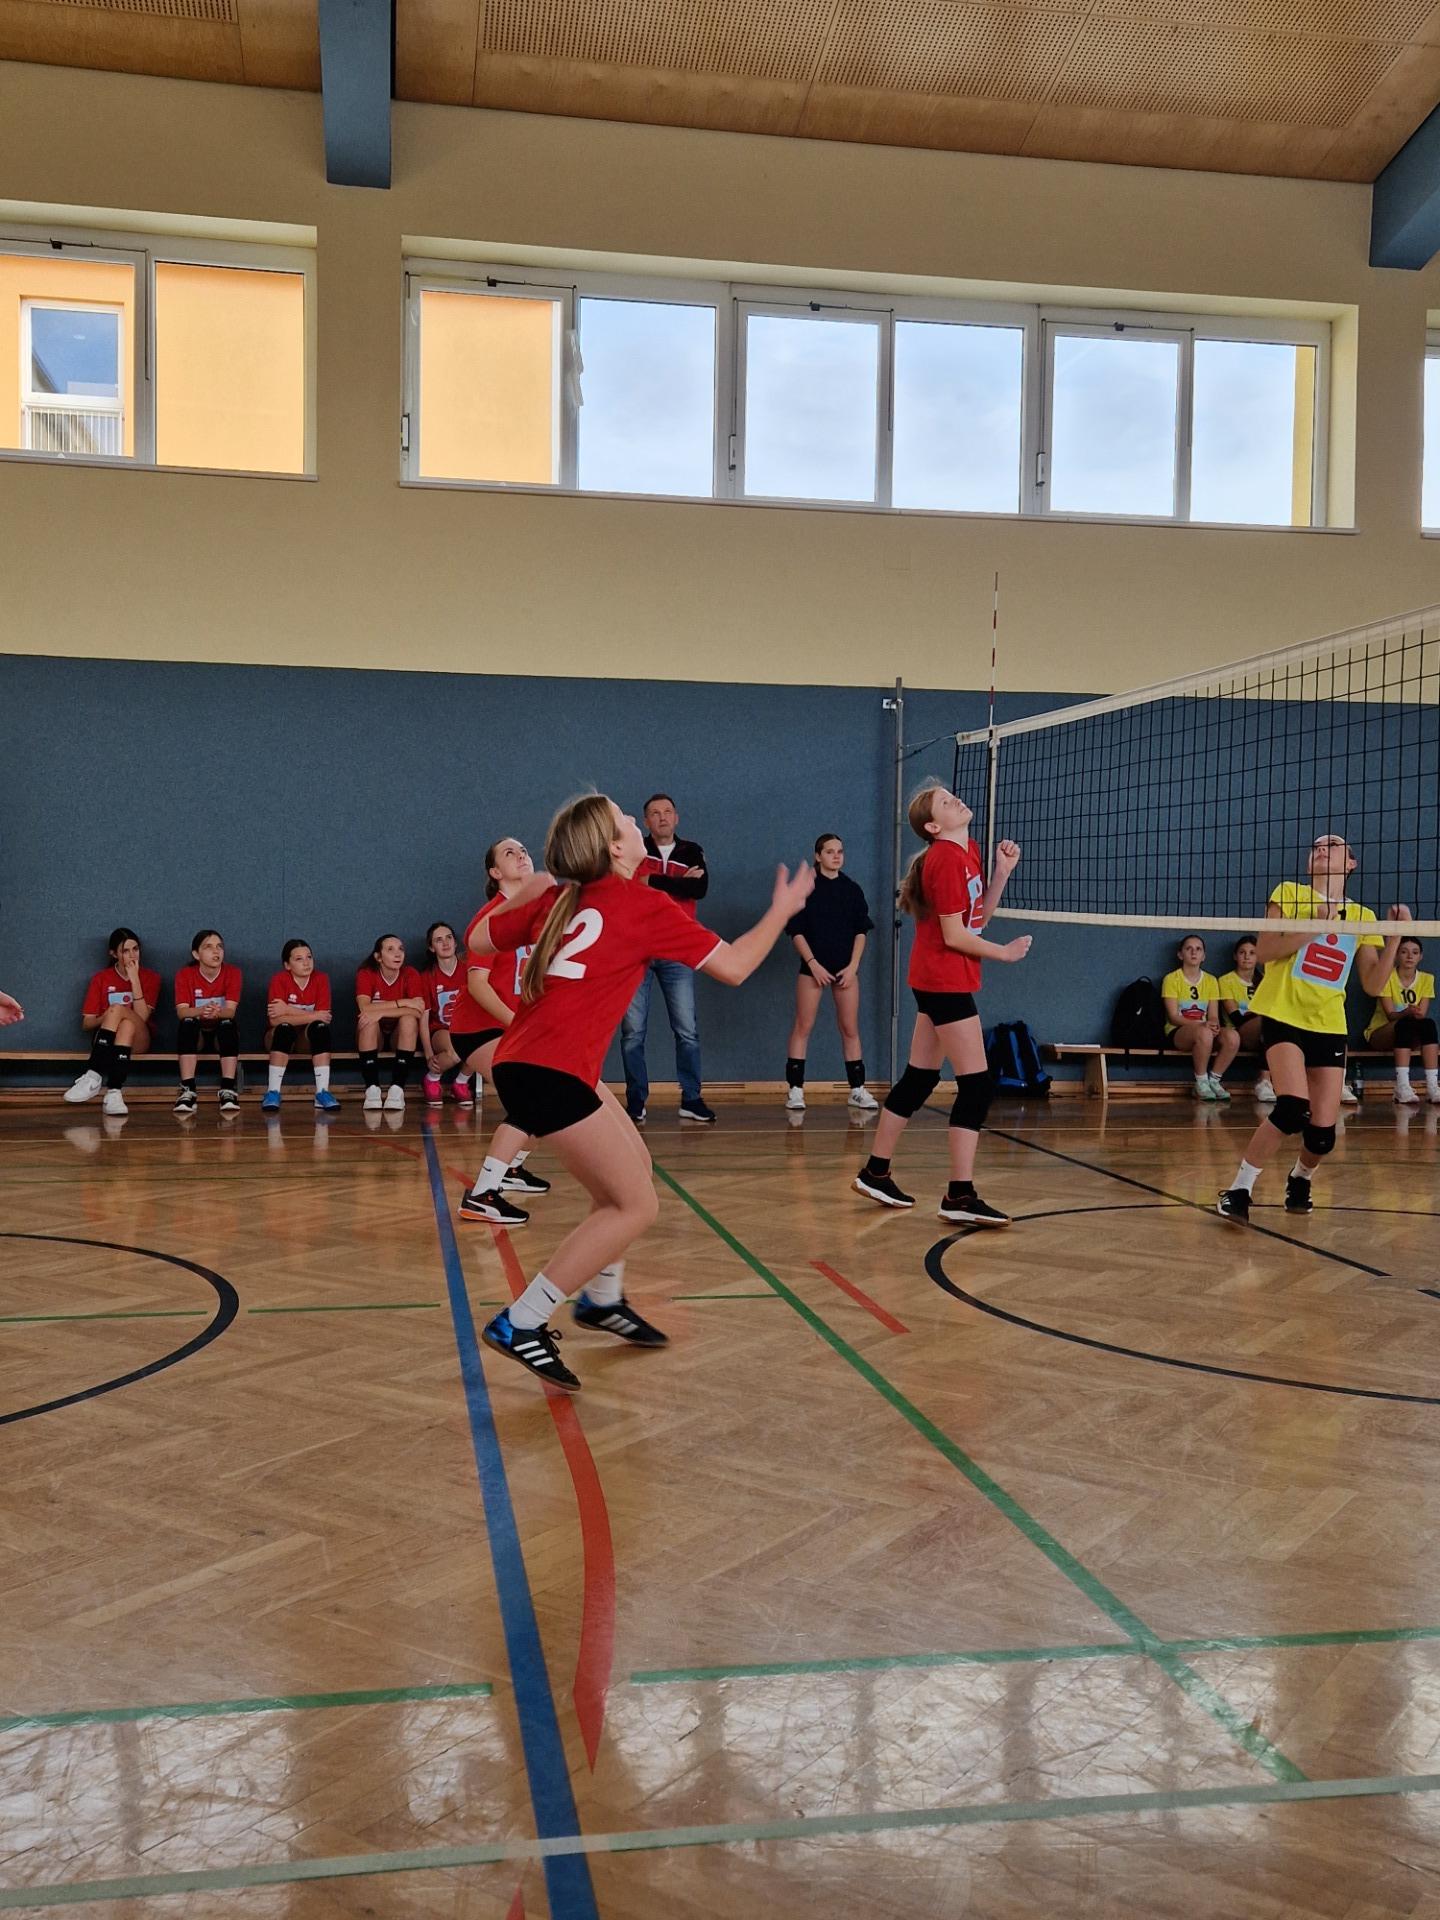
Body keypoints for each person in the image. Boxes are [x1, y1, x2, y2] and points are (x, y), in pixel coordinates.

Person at [469, 791, 813, 1392]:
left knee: (636, 1172)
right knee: (635, 1206)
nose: (634, 819)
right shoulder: (641, 904)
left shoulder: (557, 898)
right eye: (625, 818)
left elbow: (476, 941)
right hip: (550, 1070)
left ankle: (602, 1299)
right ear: (615, 847)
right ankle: (522, 1320)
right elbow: (735, 967)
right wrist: (782, 910)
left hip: (531, 1061)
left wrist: (526, 891)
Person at [854, 785, 1031, 1223]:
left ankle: (875, 1172)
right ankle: (959, 1195)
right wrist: (1003, 953)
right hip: (943, 981)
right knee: (977, 1086)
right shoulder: (945, 859)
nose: (957, 801)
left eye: (952, 796)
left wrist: (1001, 873)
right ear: (933, 826)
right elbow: (954, 937)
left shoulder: (968, 850)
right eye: (946, 802)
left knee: (920, 1078)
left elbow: (975, 920)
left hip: (938, 978)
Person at [1218, 834, 1407, 1222]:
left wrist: (1395, 939)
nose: (1321, 849)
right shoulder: (1289, 894)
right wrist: (1314, 925)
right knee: (1291, 1108)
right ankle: (1239, 1190)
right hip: (1282, 1013)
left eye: (1332, 845)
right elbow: (1264, 952)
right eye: (1316, 846)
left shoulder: (1362, 916)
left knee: (1322, 1134)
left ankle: (1301, 1178)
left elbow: (1373, 984)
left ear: (1351, 863)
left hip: (1328, 1022)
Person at [457, 835, 553, 1227]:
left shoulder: (537, 916)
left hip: (518, 1029)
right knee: (533, 1098)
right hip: (479, 1030)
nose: (521, 856)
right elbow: (477, 985)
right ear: (495, 872)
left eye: (524, 850)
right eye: (509, 853)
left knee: (557, 1098)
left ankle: (512, 1168)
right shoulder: (492, 918)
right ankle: (482, 1194)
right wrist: (517, 1023)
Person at [620, 793, 714, 1125]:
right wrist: (677, 883)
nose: (662, 817)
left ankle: (692, 1099)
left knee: (687, 1030)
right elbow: (630, 889)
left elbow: (699, 890)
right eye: (655, 813)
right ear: (646, 821)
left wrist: (653, 881)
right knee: (632, 1032)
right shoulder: (635, 850)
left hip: (677, 951)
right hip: (637, 953)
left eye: (668, 811)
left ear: (676, 817)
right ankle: (636, 1102)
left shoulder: (692, 851)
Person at [783, 833, 879, 1113]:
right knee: (803, 1025)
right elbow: (796, 931)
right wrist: (813, 963)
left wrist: (853, 966)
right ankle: (796, 1090)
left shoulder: (852, 889)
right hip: (813, 969)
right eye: (829, 851)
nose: (836, 856)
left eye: (840, 851)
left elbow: (861, 931)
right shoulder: (806, 888)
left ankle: (857, 1090)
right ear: (818, 856)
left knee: (850, 1028)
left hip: (845, 969)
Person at [64, 928, 162, 1116]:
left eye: (135, 949)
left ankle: (93, 1075)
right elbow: (87, 1023)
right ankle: (114, 1093)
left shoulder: (151, 978)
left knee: (120, 1012)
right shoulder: (101, 978)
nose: (132, 955)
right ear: (114, 954)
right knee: (125, 1024)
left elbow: (142, 1017)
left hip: (139, 1040)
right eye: (125, 951)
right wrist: (110, 1015)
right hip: (108, 1042)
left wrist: (135, 980)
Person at [263, 940, 340, 1112]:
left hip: (306, 1040)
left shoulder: (321, 978)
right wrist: (313, 1015)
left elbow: (324, 1018)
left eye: (309, 957)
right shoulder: (279, 979)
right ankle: (273, 1092)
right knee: (284, 1028)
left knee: (320, 1028)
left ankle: (322, 1092)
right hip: (279, 1038)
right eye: (299, 959)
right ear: (287, 965)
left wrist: (287, 1009)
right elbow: (275, 1020)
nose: (306, 962)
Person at [174, 930, 243, 1115]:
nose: (216, 951)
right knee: (187, 1023)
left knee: (228, 1023)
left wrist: (217, 1012)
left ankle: (228, 1089)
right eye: (208, 947)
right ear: (196, 954)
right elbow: (182, 1012)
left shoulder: (233, 973)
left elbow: (230, 1011)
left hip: (220, 1032)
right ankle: (188, 1090)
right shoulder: (185, 974)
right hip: (198, 1034)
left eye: (219, 946)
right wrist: (201, 1010)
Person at [1365, 935, 1440, 1106]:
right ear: (1397, 954)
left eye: (1415, 952)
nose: (1409, 956)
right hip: (1381, 1034)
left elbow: (1421, 1014)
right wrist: (1406, 1012)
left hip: (1409, 1034)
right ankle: (1402, 1086)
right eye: (1404, 952)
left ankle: (1432, 1086)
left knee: (1428, 1024)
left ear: (1421, 956)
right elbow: (1390, 1015)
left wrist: (1414, 1013)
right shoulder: (1387, 977)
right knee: (1404, 1024)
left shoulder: (1427, 979)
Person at [1162, 935, 1238, 1101]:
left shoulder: (1210, 981)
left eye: (1198, 949)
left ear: (1204, 956)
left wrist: (1213, 1024)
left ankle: (1214, 1080)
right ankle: (1201, 1082)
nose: (1194, 952)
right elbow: (1174, 1017)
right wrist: (1202, 1025)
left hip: (1205, 1030)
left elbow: (1213, 1015)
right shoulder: (1171, 979)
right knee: (1204, 1033)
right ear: (1180, 954)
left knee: (1232, 1036)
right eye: (1189, 949)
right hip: (1179, 1031)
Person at [355, 935, 426, 1112]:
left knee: (409, 1020)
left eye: (401, 949)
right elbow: (365, 1008)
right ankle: (372, 1089)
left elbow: (417, 1011)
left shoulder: (410, 973)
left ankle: (397, 1089)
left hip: (398, 1035)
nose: (397, 954)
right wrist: (403, 1002)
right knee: (368, 1021)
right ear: (378, 957)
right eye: (390, 949)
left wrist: (380, 1011)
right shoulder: (366, 973)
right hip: (375, 1036)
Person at [419, 921, 476, 1108]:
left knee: (481, 1042)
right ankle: (432, 1078)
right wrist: (428, 1054)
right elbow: (424, 1018)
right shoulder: (427, 977)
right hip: (440, 1030)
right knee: (458, 1049)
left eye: (449, 938)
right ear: (431, 947)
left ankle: (460, 1082)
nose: (445, 943)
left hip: (466, 1028)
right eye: (438, 940)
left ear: (455, 942)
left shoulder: (469, 969)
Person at [1218, 936, 1274, 1103]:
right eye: (1242, 952)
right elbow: (1236, 1018)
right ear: (1235, 956)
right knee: (1268, 1022)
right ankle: (1264, 1081)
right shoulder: (1226, 980)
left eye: (1252, 953)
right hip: (1239, 1031)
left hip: (1265, 1032)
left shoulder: (1265, 981)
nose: (1247, 957)